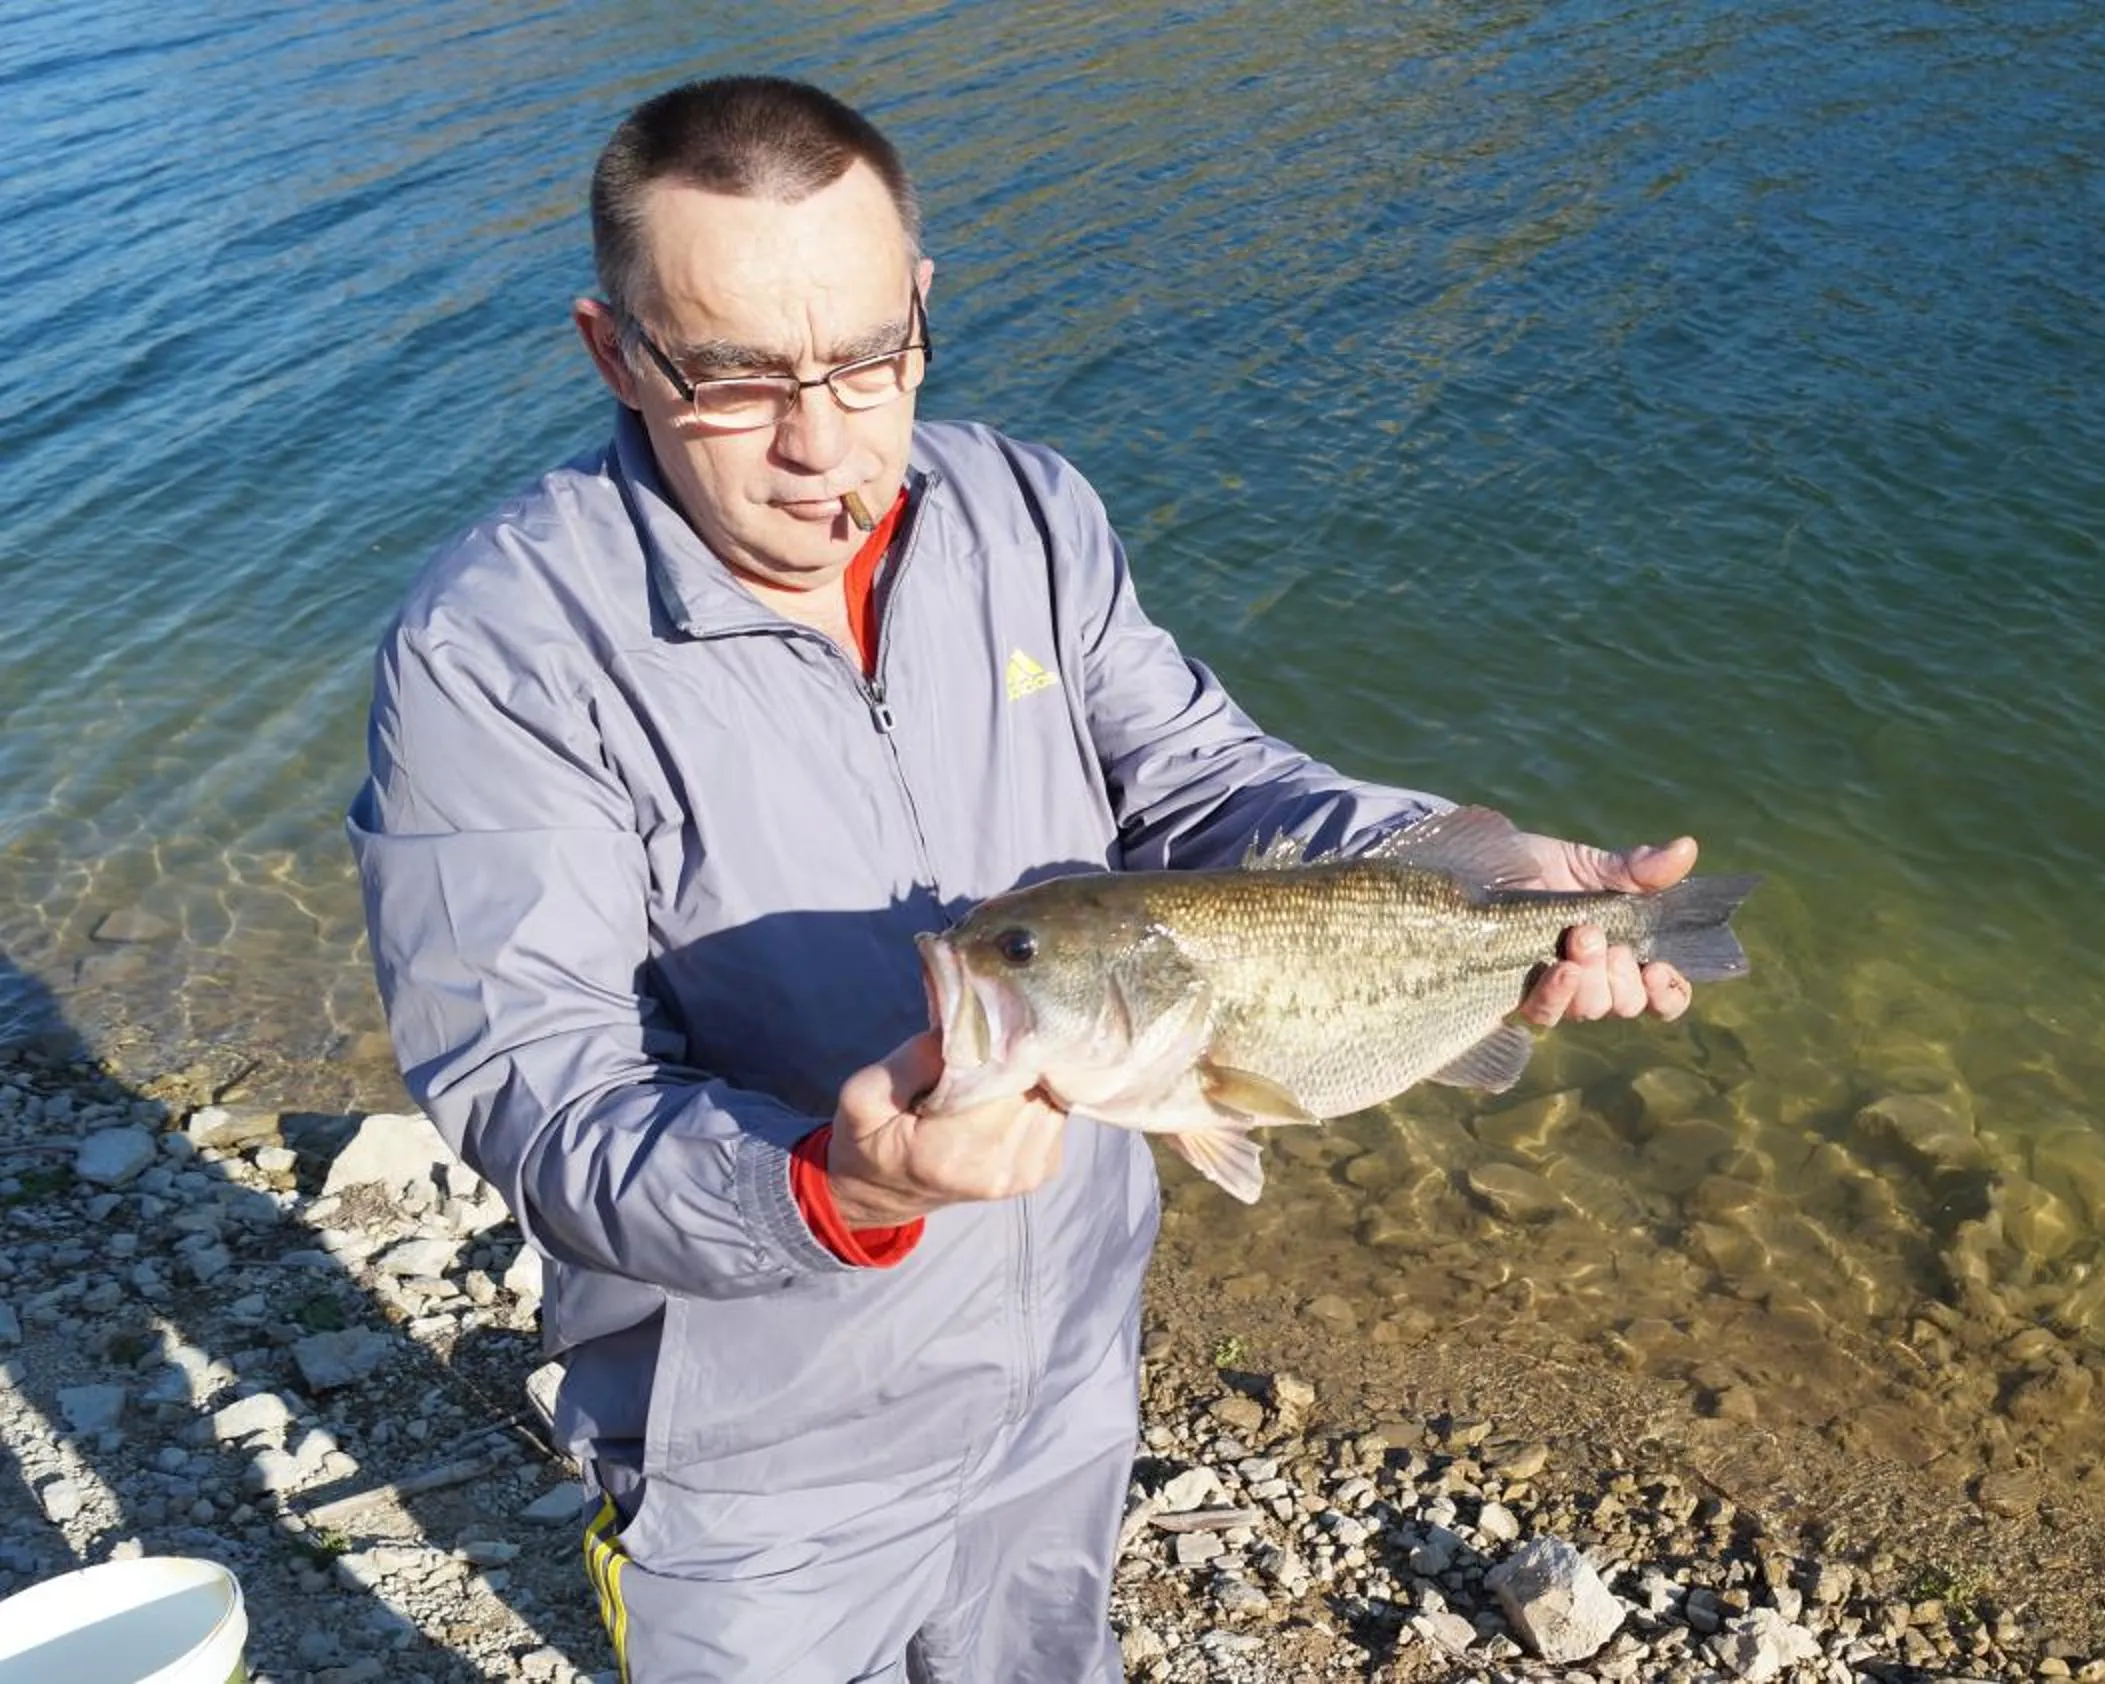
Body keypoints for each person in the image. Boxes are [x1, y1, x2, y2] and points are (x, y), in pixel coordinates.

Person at [346, 75, 1702, 1684]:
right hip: (760, 1433)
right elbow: (532, 1085)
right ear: (614, 353)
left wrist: (1446, 874)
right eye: (731, 375)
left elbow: (1203, 780)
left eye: (865, 356)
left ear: (920, 308)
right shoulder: (496, 656)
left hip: (1064, 1366)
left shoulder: (1024, 513)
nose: (817, 437)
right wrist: (829, 1194)